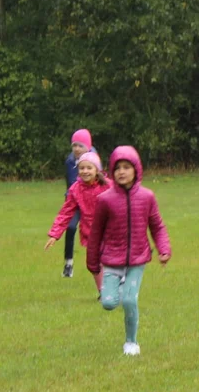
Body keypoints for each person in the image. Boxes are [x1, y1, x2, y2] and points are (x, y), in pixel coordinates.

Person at [87, 146, 171, 356]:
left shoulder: (147, 197)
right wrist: (92, 262)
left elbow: (157, 226)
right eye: (117, 168)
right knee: (108, 303)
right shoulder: (105, 200)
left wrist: (164, 248)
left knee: (129, 300)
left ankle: (131, 343)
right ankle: (120, 285)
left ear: (136, 170)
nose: (122, 172)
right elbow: (95, 233)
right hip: (111, 260)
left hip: (137, 259)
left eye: (126, 167)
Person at [45, 151, 111, 293]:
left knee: (108, 259)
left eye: (89, 168)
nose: (85, 171)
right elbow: (66, 212)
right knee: (93, 264)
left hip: (109, 231)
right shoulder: (75, 189)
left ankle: (116, 283)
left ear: (97, 169)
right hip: (90, 233)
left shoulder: (108, 186)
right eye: (82, 168)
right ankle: (103, 292)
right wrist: (54, 234)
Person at [60, 129, 97, 278]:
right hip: (76, 200)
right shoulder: (69, 161)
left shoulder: (94, 158)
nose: (76, 149)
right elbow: (70, 184)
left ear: (87, 147)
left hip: (92, 202)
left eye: (80, 145)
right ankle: (68, 263)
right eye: (74, 145)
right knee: (70, 227)